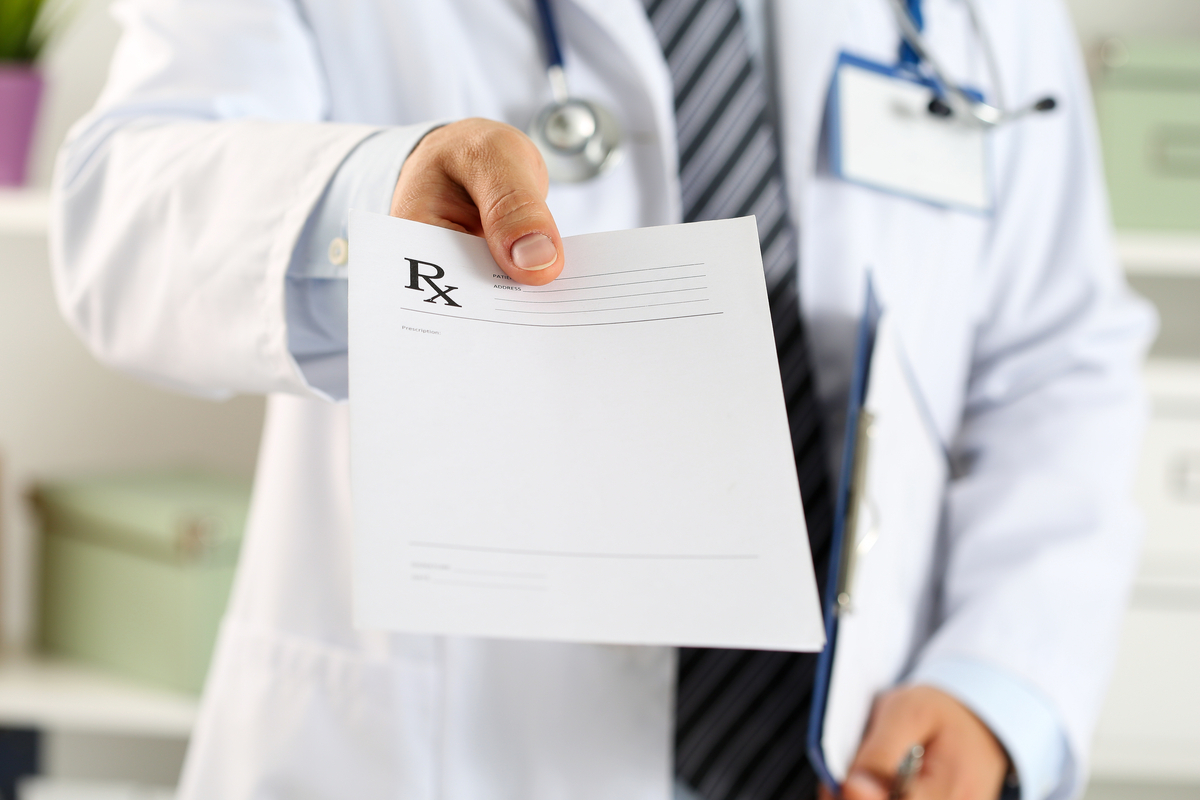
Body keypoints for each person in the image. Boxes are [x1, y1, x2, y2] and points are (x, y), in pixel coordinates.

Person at [50, 1, 1153, 799]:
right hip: (450, 754)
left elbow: (1055, 357)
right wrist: (372, 201)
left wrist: (997, 680)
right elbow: (118, 218)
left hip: (858, 750)